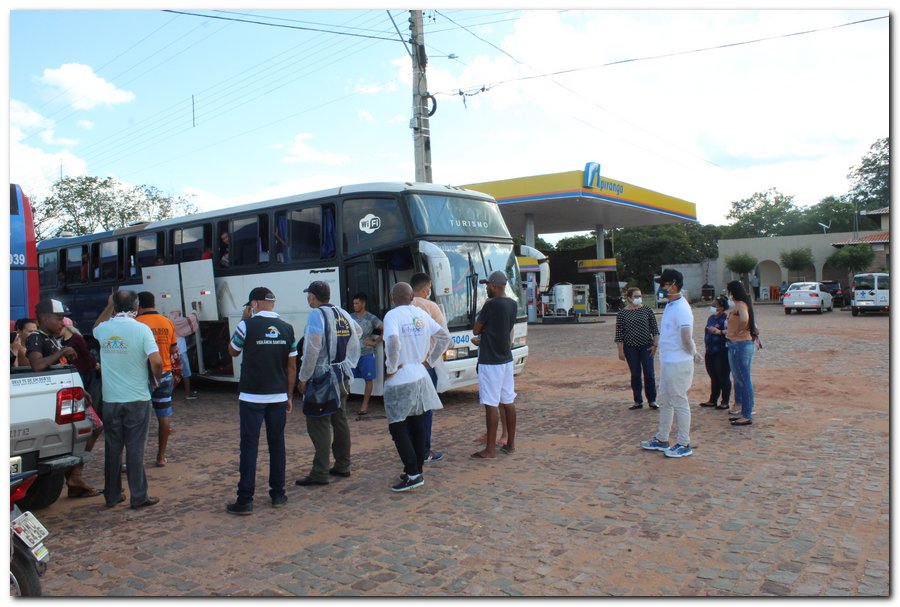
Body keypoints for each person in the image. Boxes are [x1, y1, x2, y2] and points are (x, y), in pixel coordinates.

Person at [225, 287, 297, 515]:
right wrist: (289, 395)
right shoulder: (287, 329)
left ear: (254, 303)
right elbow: (292, 366)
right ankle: (278, 494)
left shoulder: (246, 325)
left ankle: (245, 499)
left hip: (251, 396)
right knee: (277, 445)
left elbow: (233, 351)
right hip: (277, 396)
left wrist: (243, 320)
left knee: (249, 447)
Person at [93, 291, 163, 509]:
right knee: (135, 447)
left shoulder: (103, 329)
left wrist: (109, 306)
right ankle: (138, 496)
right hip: (137, 397)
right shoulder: (141, 329)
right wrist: (156, 380)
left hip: (111, 399)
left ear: (114, 306)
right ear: (137, 306)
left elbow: (97, 324)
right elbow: (157, 361)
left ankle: (112, 495)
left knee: (113, 448)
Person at [26, 300, 100, 498]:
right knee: (89, 428)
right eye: (58, 319)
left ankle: (75, 475)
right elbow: (37, 365)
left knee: (95, 427)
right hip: (56, 398)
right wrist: (62, 351)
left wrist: (80, 390)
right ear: (43, 318)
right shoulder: (36, 337)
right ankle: (73, 476)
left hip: (70, 394)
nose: (62, 323)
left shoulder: (53, 338)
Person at [381, 282, 451, 491]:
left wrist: (391, 367)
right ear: (412, 297)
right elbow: (444, 337)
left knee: (398, 426)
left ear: (393, 297)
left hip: (401, 377)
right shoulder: (420, 314)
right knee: (417, 423)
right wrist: (430, 359)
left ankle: (412, 473)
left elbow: (393, 342)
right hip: (420, 374)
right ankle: (416, 469)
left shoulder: (392, 316)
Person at [295, 281, 361, 487]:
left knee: (319, 422)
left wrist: (303, 377)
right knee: (339, 419)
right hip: (342, 374)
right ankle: (343, 464)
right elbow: (357, 332)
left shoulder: (317, 314)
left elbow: (312, 348)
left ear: (313, 297)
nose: (308, 298)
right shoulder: (341, 312)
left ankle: (320, 472)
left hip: (323, 376)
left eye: (309, 295)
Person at [639, 269, 703, 458]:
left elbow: (686, 336)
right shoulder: (671, 305)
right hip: (668, 361)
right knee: (665, 400)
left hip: (678, 362)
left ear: (673, 285)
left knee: (679, 400)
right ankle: (662, 438)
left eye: (664, 285)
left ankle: (684, 443)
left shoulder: (682, 307)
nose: (662, 288)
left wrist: (694, 353)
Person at [470, 270, 519, 459]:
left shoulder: (490, 305)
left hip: (490, 361)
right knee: (508, 400)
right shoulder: (513, 305)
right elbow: (502, 331)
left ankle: (490, 449)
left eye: (487, 285)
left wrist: (482, 338)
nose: (486, 288)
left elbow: (476, 329)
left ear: (494, 286)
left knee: (490, 403)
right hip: (506, 358)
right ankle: (510, 444)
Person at [410, 272, 451, 461]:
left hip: (406, 368)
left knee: (410, 409)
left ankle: (410, 447)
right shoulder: (431, 307)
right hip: (425, 366)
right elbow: (445, 338)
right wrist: (430, 361)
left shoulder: (403, 307)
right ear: (427, 290)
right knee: (426, 409)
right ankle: (425, 450)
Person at [135, 292, 179, 467]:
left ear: (139, 305)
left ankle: (135, 459)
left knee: (139, 418)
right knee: (164, 414)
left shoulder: (137, 323)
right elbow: (174, 349)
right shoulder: (167, 322)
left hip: (143, 374)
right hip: (165, 372)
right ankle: (161, 457)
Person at [614, 287, 660, 410]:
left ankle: (652, 400)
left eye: (640, 296)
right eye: (636, 296)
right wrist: (620, 350)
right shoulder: (622, 314)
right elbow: (619, 334)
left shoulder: (647, 310)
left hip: (647, 347)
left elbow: (655, 329)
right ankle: (638, 401)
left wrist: (655, 345)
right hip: (630, 348)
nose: (638, 298)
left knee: (649, 373)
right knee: (635, 374)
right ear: (629, 298)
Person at [726, 280, 758, 427]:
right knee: (742, 379)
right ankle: (745, 409)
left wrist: (739, 331)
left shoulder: (740, 305)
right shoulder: (742, 304)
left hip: (739, 345)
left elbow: (745, 319)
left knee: (744, 380)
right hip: (741, 344)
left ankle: (746, 414)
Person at [350, 292, 382, 416]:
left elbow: (384, 328)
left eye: (357, 303)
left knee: (368, 379)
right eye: (354, 303)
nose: (355, 305)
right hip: (352, 354)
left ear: (363, 304)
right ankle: (342, 404)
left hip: (366, 353)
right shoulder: (350, 317)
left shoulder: (371, 318)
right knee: (347, 378)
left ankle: (365, 405)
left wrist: (375, 342)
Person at [698, 295, 731, 411]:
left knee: (723, 376)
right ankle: (713, 400)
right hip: (710, 351)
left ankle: (725, 401)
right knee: (713, 376)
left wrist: (720, 332)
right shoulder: (711, 318)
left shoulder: (726, 318)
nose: (711, 307)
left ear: (721, 307)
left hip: (722, 351)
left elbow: (731, 331)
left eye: (714, 305)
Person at [168, 307, 200, 400]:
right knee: (186, 372)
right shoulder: (179, 322)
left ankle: (167, 394)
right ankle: (187, 394)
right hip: (180, 351)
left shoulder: (168, 321)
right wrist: (194, 309)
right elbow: (191, 319)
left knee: (171, 373)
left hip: (170, 351)